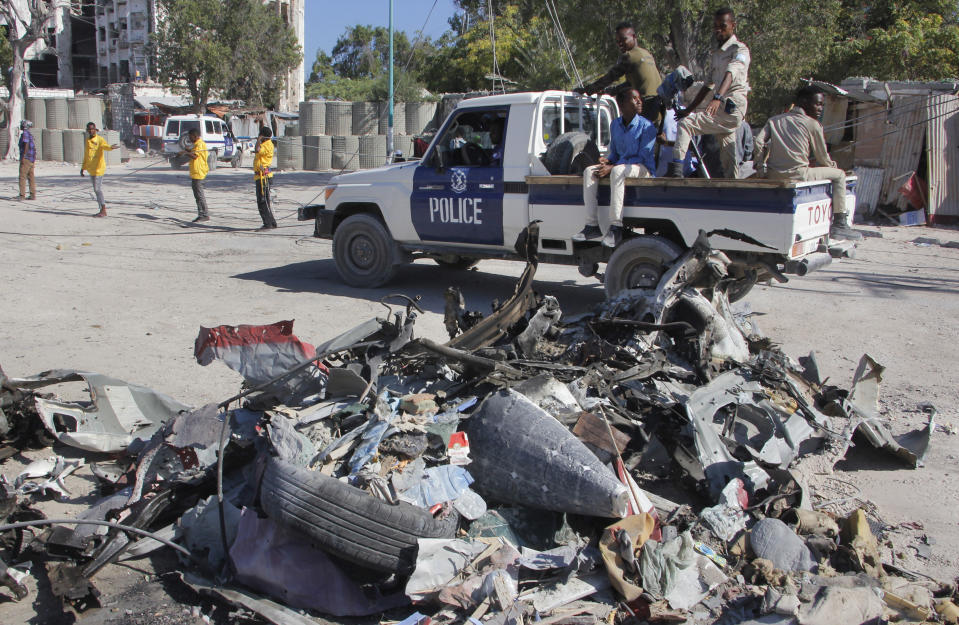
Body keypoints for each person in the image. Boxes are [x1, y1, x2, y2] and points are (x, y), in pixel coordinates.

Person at [754, 85, 862, 241]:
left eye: (821, 105)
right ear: (803, 102)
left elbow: (758, 142)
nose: (820, 109)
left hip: (773, 174)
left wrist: (760, 166)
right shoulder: (812, 124)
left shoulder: (774, 120)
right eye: (817, 104)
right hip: (800, 174)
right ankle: (839, 223)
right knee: (839, 175)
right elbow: (822, 158)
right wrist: (832, 166)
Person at [667, 7, 750, 178]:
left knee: (686, 125)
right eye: (716, 26)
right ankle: (733, 189)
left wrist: (718, 97)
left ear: (733, 25)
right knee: (728, 154)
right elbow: (708, 85)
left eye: (723, 26)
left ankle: (676, 173)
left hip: (731, 106)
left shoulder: (739, 50)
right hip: (723, 109)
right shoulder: (717, 54)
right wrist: (688, 109)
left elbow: (730, 73)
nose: (718, 30)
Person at [572, 88, 657, 248]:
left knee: (617, 171)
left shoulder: (647, 127)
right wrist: (607, 160)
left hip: (642, 168)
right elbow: (616, 153)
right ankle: (592, 226)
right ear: (623, 104)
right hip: (621, 165)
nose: (640, 102)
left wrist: (613, 166)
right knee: (589, 171)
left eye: (639, 98)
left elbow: (642, 156)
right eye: (635, 99)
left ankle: (616, 227)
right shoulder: (615, 125)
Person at [578, 22, 664, 124]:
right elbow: (630, 84)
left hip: (645, 106)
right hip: (659, 107)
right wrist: (609, 91)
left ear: (634, 37)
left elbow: (610, 77)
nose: (620, 44)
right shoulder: (646, 54)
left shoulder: (630, 56)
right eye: (618, 41)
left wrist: (588, 90)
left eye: (624, 40)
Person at [80, 122, 119, 217]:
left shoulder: (100, 139)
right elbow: (86, 155)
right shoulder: (87, 141)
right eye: (89, 129)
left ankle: (103, 209)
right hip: (91, 169)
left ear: (95, 129)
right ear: (87, 130)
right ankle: (101, 209)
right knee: (95, 189)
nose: (91, 131)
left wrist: (110, 147)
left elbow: (105, 146)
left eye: (93, 129)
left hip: (99, 169)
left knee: (97, 189)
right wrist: (83, 168)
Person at [179, 128, 210, 222]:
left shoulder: (200, 144)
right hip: (196, 173)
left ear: (195, 136)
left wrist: (185, 153)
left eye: (190, 136)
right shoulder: (196, 144)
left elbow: (195, 156)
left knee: (199, 195)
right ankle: (201, 213)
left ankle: (204, 215)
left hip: (199, 173)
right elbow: (193, 152)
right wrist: (186, 149)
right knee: (197, 195)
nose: (189, 138)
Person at [253, 126, 277, 230]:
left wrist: (258, 139)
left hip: (264, 177)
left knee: (262, 201)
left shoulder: (267, 145)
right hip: (260, 175)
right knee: (265, 201)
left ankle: (268, 223)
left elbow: (257, 149)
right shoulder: (266, 144)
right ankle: (272, 222)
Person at [18, 120, 37, 201]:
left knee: (22, 177)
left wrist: (24, 156)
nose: (20, 126)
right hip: (32, 159)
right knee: (31, 177)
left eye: (22, 125)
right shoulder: (30, 134)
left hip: (26, 158)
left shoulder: (25, 134)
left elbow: (26, 144)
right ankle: (33, 195)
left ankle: (22, 195)